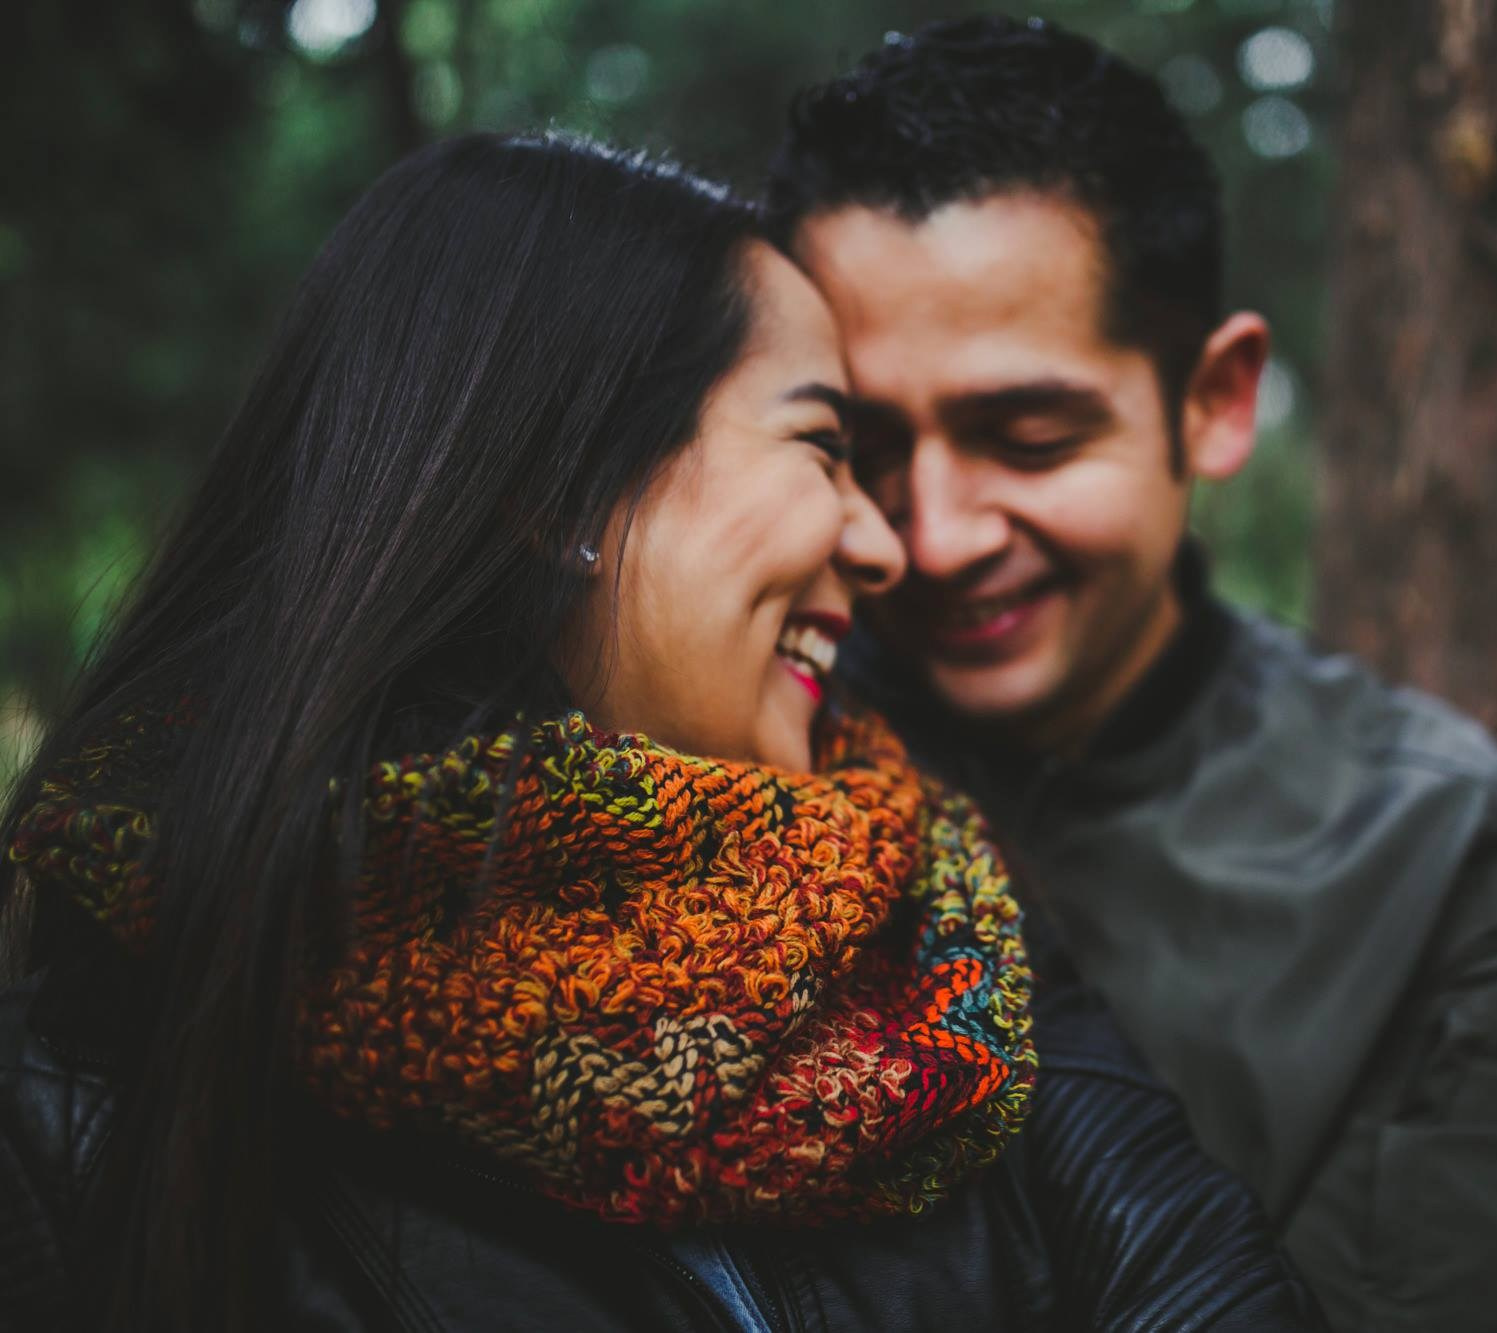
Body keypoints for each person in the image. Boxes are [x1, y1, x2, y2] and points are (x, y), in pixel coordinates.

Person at [0, 131, 1323, 1333]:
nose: (883, 542)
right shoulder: (88, 1086)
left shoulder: (947, 928)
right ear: (560, 484)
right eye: (822, 447)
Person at [766, 16, 1497, 1329]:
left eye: (1026, 437)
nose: (932, 534)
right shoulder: (731, 751)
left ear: (1215, 397)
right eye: (859, 447)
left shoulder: (1440, 853)